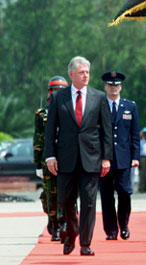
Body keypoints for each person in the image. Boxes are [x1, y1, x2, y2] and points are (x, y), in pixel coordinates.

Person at [44, 56, 113, 256]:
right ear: (71, 74)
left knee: (89, 202)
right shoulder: (59, 98)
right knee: (65, 200)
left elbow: (106, 131)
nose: (86, 76)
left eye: (88, 72)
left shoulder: (99, 97)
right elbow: (50, 130)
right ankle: (72, 231)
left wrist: (106, 158)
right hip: (65, 158)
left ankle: (85, 243)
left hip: (91, 157)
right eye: (82, 72)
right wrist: (50, 156)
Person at [99, 71, 140, 241]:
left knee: (124, 192)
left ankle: (123, 224)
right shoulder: (98, 106)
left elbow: (134, 134)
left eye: (116, 85)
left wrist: (135, 156)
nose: (113, 88)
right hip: (104, 159)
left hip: (124, 158)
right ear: (105, 86)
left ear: (121, 87)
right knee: (107, 196)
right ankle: (111, 230)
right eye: (110, 84)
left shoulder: (130, 106)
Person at [33, 76, 68, 242]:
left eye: (60, 90)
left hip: (67, 160)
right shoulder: (42, 115)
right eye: (55, 90)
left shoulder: (71, 112)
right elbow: (38, 140)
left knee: (67, 195)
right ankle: (53, 224)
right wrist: (37, 163)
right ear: (49, 93)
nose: (57, 94)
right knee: (50, 196)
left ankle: (65, 224)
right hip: (48, 161)